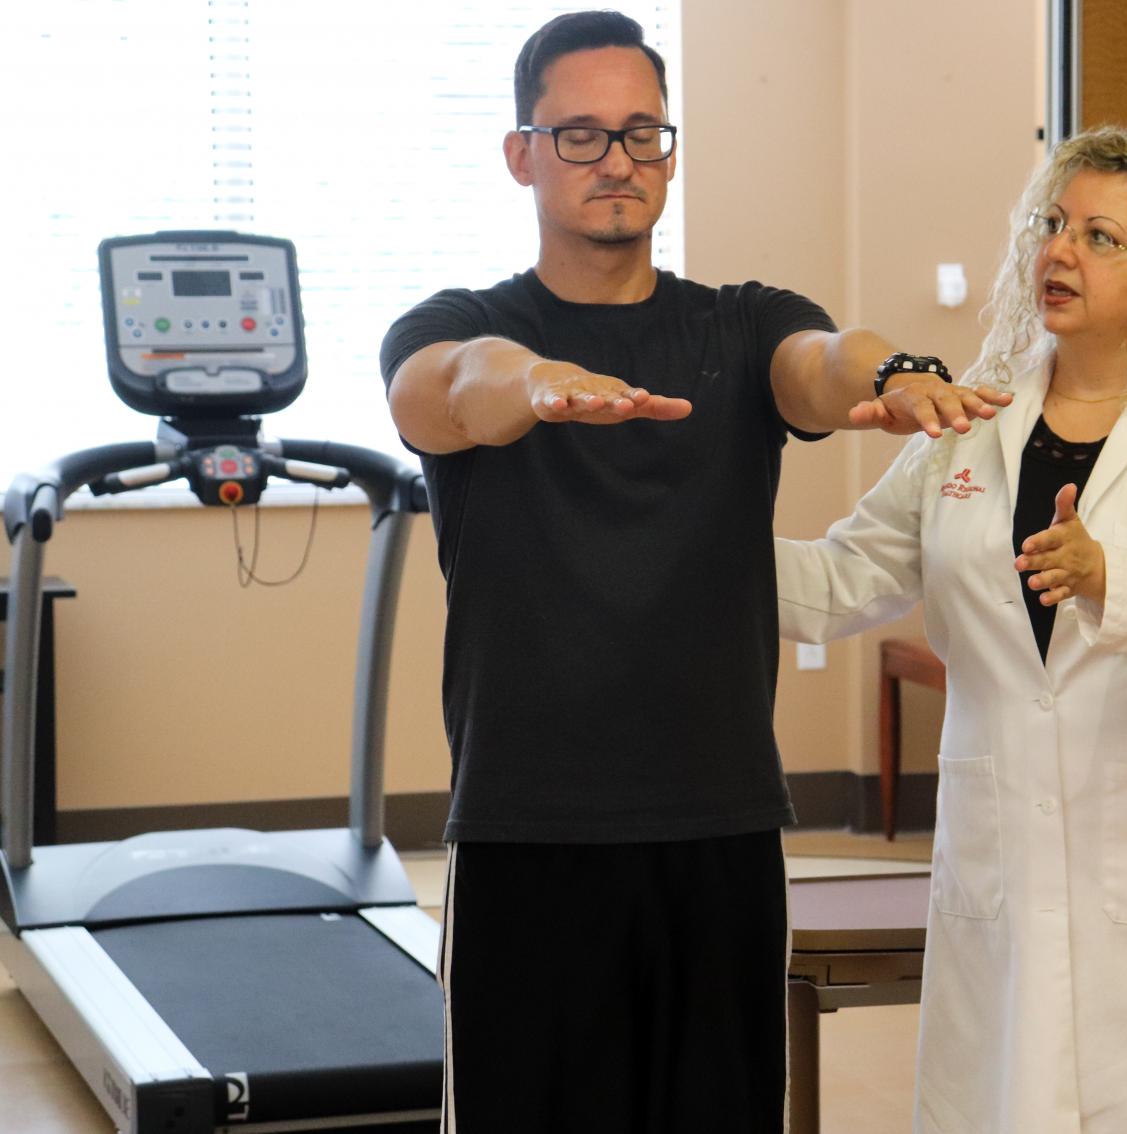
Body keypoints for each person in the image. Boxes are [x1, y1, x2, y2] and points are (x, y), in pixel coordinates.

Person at [379, 11, 1008, 1132]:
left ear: (669, 153)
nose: (616, 159)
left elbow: (823, 362)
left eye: (642, 133)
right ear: (522, 154)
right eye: (579, 135)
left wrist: (894, 371)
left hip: (720, 825)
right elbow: (451, 386)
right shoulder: (460, 325)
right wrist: (533, 385)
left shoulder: (741, 326)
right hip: (529, 829)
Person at [775, 127, 1127, 1133]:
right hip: (1006, 878)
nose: (1061, 251)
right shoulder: (968, 425)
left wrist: (1111, 576)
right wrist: (691, 548)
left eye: (1101, 237)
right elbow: (841, 579)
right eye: (1053, 225)